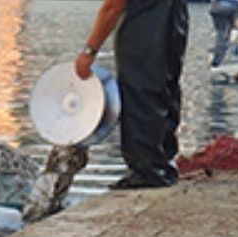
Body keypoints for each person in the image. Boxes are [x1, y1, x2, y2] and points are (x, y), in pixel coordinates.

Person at [77, 0, 188, 189]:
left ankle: (147, 170)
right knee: (166, 87)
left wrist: (89, 51)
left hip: (143, 28)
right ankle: (164, 161)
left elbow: (112, 6)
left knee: (139, 93)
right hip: (175, 20)